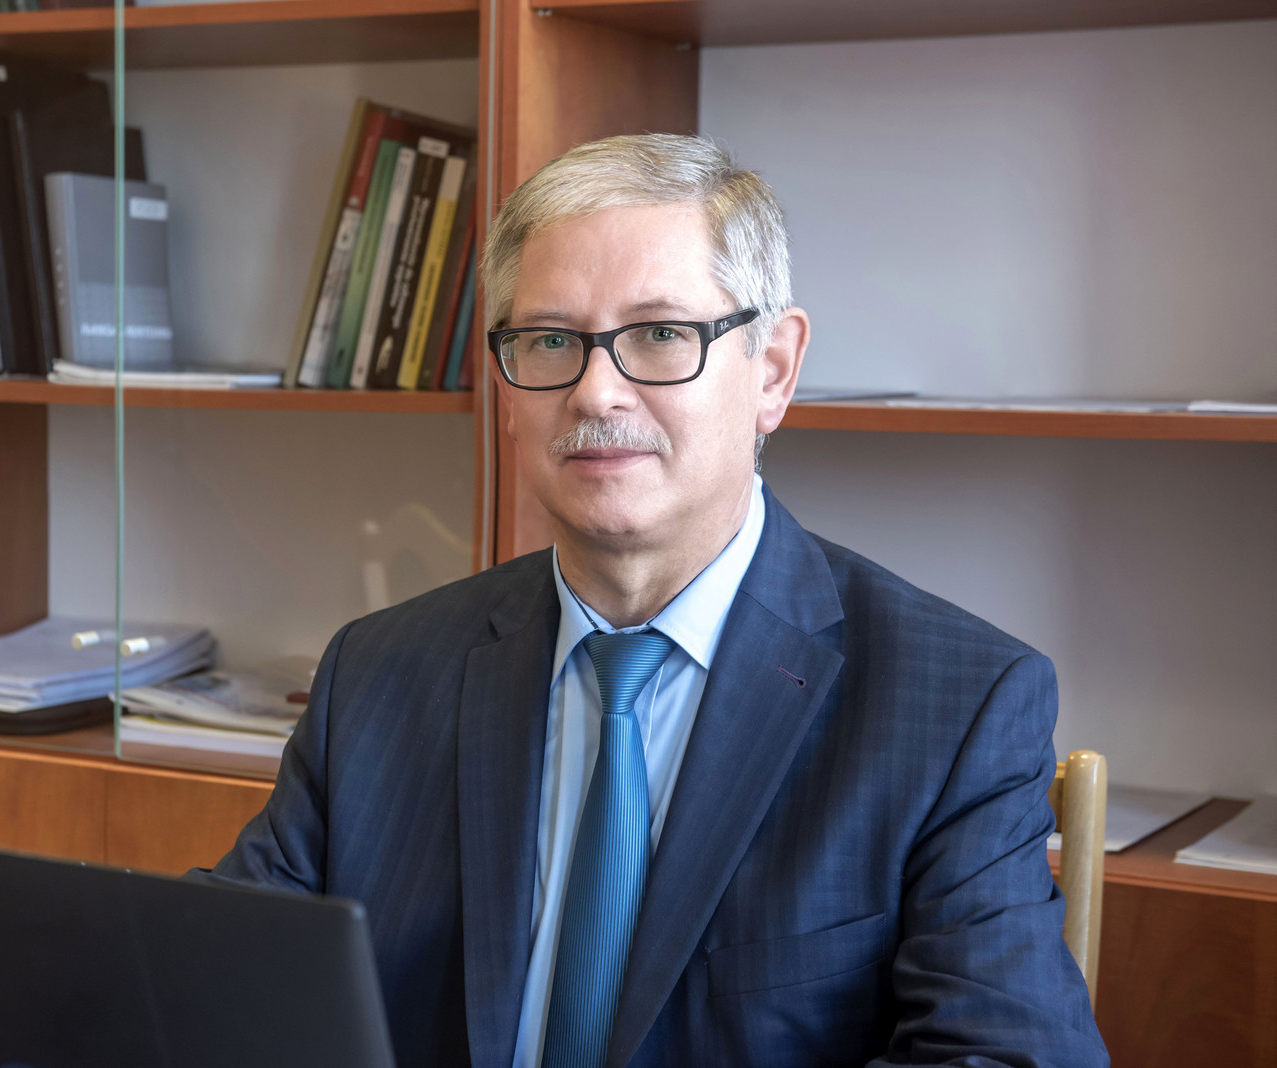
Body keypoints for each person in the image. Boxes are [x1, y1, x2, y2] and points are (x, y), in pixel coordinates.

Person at [194, 134, 1108, 1068]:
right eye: (551, 340)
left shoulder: (954, 705)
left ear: (773, 369)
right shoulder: (379, 673)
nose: (596, 392)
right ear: (506, 390)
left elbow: (1005, 1054)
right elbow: (216, 987)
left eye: (661, 335)